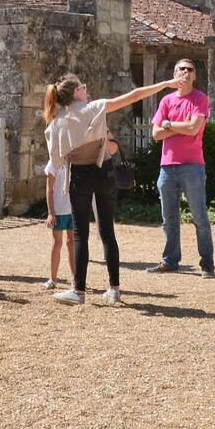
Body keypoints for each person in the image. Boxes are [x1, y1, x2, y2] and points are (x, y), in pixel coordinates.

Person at [44, 70, 187, 307]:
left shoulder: (58, 121)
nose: (86, 90)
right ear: (77, 92)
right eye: (83, 87)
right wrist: (167, 84)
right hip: (104, 173)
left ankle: (78, 290)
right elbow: (133, 96)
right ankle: (114, 289)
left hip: (79, 175)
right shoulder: (94, 108)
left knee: (80, 234)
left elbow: (56, 159)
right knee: (107, 232)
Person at [148, 57, 215, 277]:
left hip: (193, 166)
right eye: (181, 69)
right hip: (167, 167)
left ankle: (207, 264)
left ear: (194, 76)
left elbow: (193, 129)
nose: (185, 72)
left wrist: (168, 124)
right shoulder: (166, 101)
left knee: (200, 217)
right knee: (169, 220)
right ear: (175, 74)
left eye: (190, 69)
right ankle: (170, 261)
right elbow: (156, 134)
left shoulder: (200, 99)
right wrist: (178, 126)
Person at [42, 152, 74, 291]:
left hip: (73, 209)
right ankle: (53, 279)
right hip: (59, 210)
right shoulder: (54, 162)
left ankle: (75, 279)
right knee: (57, 243)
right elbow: (49, 189)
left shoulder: (75, 160)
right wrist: (51, 212)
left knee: (72, 243)